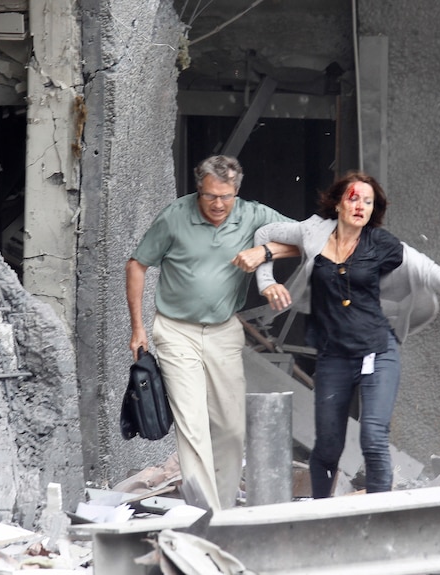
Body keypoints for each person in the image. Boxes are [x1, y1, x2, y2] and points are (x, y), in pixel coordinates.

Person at [253, 170, 440, 497]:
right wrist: (267, 282)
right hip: (334, 355)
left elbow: (426, 268)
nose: (361, 206)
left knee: (373, 437)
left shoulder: (381, 244)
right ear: (337, 203)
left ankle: (377, 518)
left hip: (378, 349)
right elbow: (264, 233)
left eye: (369, 202)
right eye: (354, 198)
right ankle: (322, 516)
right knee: (328, 446)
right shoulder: (312, 231)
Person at [125, 154, 297, 510]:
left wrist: (263, 252)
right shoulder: (175, 216)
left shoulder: (253, 215)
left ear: (237, 191)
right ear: (198, 190)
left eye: (226, 196)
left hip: (223, 331)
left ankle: (224, 507)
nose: (218, 204)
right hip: (176, 331)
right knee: (192, 427)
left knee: (231, 429)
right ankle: (207, 513)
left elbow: (307, 239)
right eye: (210, 196)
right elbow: (137, 264)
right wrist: (138, 328)